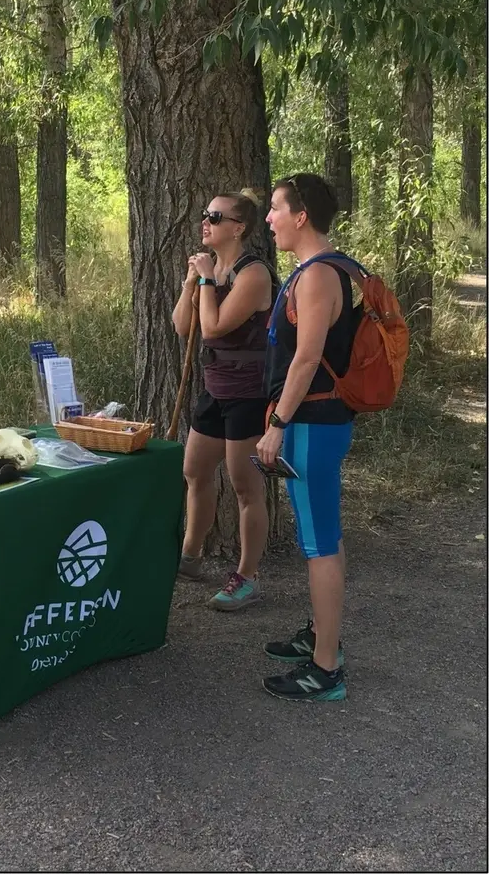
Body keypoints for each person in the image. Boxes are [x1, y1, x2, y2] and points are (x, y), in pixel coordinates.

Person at [257, 173, 356, 702]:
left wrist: (277, 425)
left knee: (319, 544)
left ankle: (326, 669)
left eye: (275, 209)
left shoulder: (318, 276)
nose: (268, 219)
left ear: (301, 216)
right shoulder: (318, 270)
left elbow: (308, 358)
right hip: (312, 424)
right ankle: (321, 636)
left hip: (312, 426)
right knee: (320, 538)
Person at [171, 189, 279, 609]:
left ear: (238, 227)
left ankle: (248, 576)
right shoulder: (213, 268)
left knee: (245, 486)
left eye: (215, 216)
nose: (206, 222)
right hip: (216, 389)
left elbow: (213, 328)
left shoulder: (254, 274)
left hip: (249, 394)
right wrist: (192, 282)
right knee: (195, 470)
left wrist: (208, 282)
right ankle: (190, 555)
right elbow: (185, 326)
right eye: (204, 214)